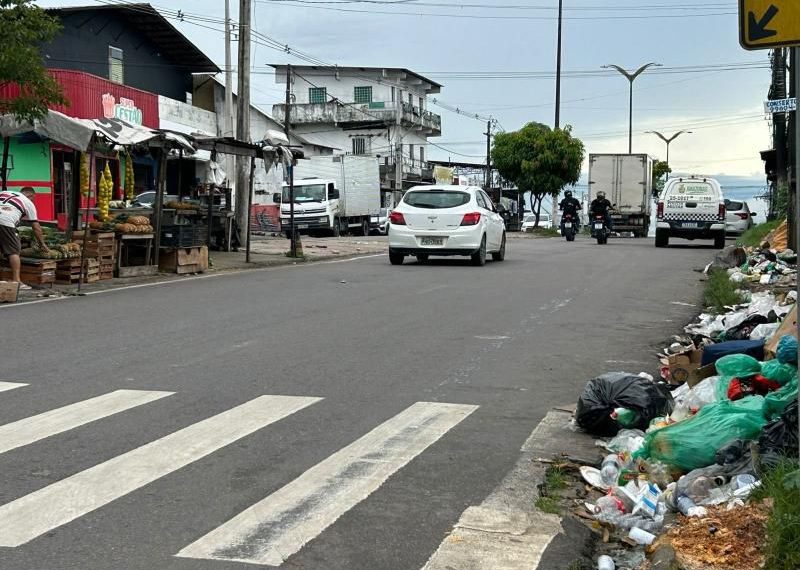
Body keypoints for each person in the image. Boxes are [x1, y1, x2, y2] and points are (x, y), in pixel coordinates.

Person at [0, 187, 50, 289]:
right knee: (13, 251)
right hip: (5, 222)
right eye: (33, 199)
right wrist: (42, 243)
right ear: (30, 196)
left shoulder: (4, 192)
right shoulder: (28, 202)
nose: (33, 201)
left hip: (4, 219)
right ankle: (17, 281)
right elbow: (36, 227)